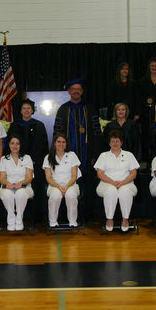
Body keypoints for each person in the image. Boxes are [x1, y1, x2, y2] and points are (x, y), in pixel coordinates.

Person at [54, 79, 102, 219]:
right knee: (68, 182)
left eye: (78, 89)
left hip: (87, 154)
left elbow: (97, 133)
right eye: (73, 89)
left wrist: (95, 154)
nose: (76, 91)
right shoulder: (63, 109)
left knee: (87, 184)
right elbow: (57, 133)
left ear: (82, 91)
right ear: (69, 92)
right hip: (67, 155)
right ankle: (67, 215)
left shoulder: (90, 108)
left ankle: (87, 214)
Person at [7, 99, 49, 220]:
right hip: (17, 164)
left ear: (32, 111)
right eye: (24, 108)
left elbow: (44, 146)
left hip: (35, 164)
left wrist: (39, 161)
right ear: (20, 111)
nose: (26, 110)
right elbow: (9, 146)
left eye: (28, 108)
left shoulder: (39, 125)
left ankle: (36, 216)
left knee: (36, 188)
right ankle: (19, 216)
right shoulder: (15, 125)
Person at [94, 130, 140, 232]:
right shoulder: (103, 155)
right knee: (111, 190)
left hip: (127, 184)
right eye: (113, 141)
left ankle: (125, 219)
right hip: (106, 184)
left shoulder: (129, 155)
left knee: (125, 191)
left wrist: (123, 182)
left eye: (117, 141)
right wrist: (112, 182)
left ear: (121, 142)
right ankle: (109, 219)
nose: (115, 144)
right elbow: (100, 173)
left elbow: (134, 173)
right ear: (109, 143)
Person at [44, 133, 81, 227]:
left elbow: (74, 176)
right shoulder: (48, 157)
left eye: (63, 142)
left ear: (66, 144)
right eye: (59, 142)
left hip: (71, 185)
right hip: (54, 186)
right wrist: (59, 187)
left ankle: (72, 221)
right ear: (54, 143)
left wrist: (66, 187)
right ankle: (52, 222)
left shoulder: (72, 155)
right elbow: (48, 178)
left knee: (71, 195)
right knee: (55, 196)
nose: (61, 144)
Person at [0, 135, 34, 231]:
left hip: (24, 187)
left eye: (17, 143)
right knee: (7, 195)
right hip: (7, 186)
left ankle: (19, 219)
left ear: (21, 145)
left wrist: (20, 184)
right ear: (9, 145)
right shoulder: (3, 159)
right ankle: (11, 219)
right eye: (12, 143)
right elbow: (2, 178)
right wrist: (8, 184)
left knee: (21, 194)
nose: (15, 146)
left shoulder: (27, 158)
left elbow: (29, 177)